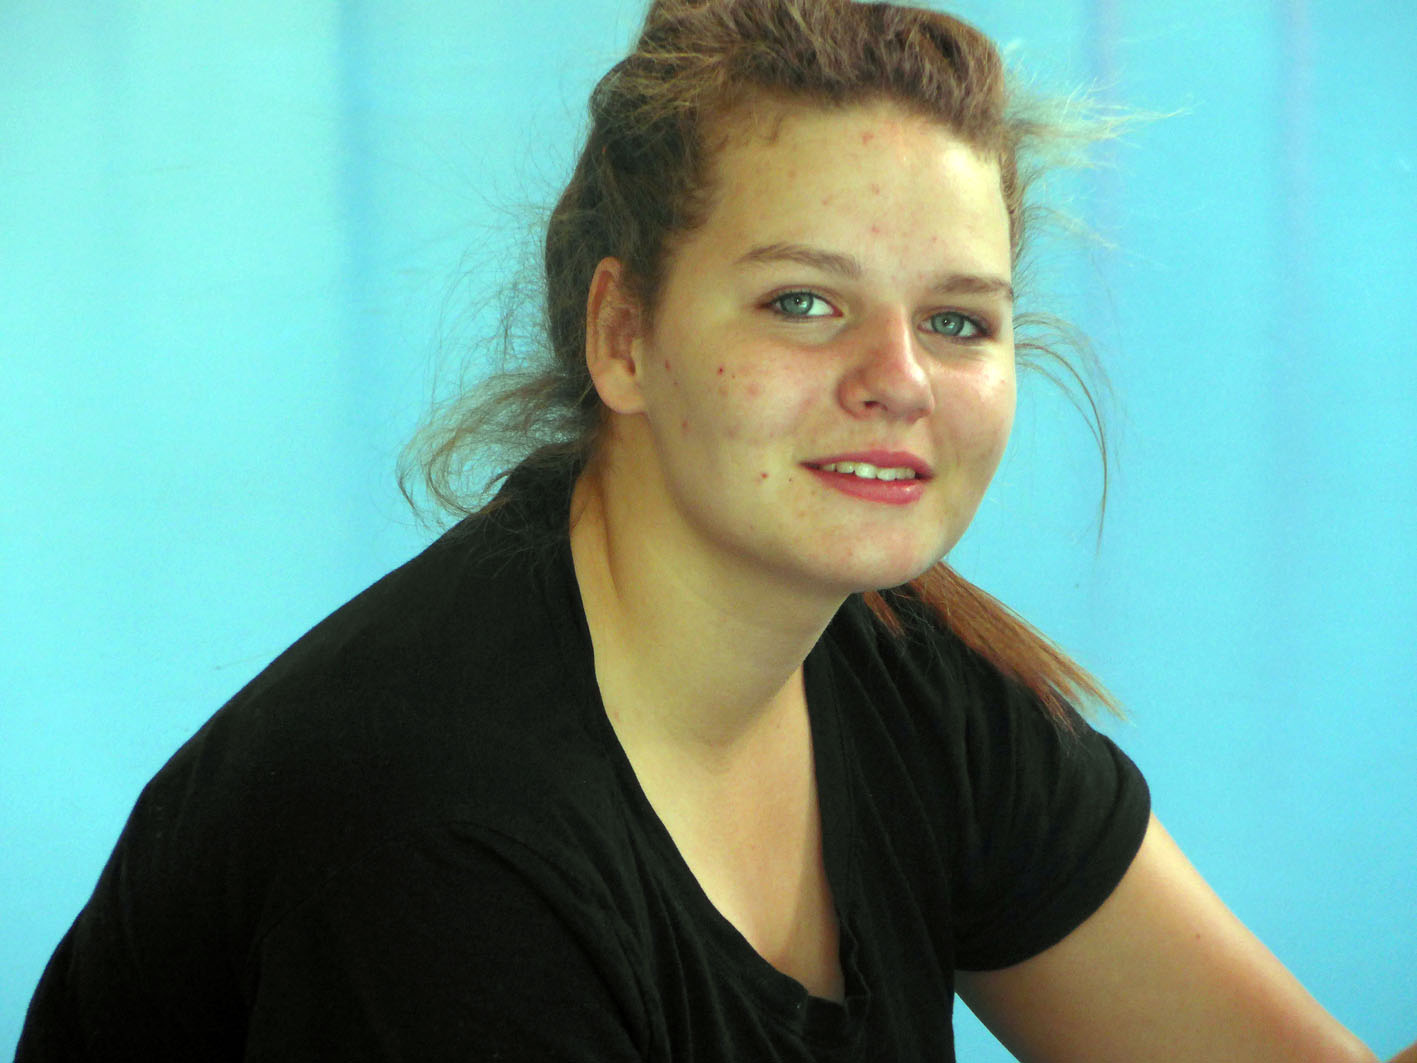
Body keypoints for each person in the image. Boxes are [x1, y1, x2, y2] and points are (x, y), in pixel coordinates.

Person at [17, 1, 1412, 1060]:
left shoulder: (903, 674)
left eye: (956, 320)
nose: (898, 379)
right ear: (623, 337)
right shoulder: (443, 841)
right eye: (804, 302)